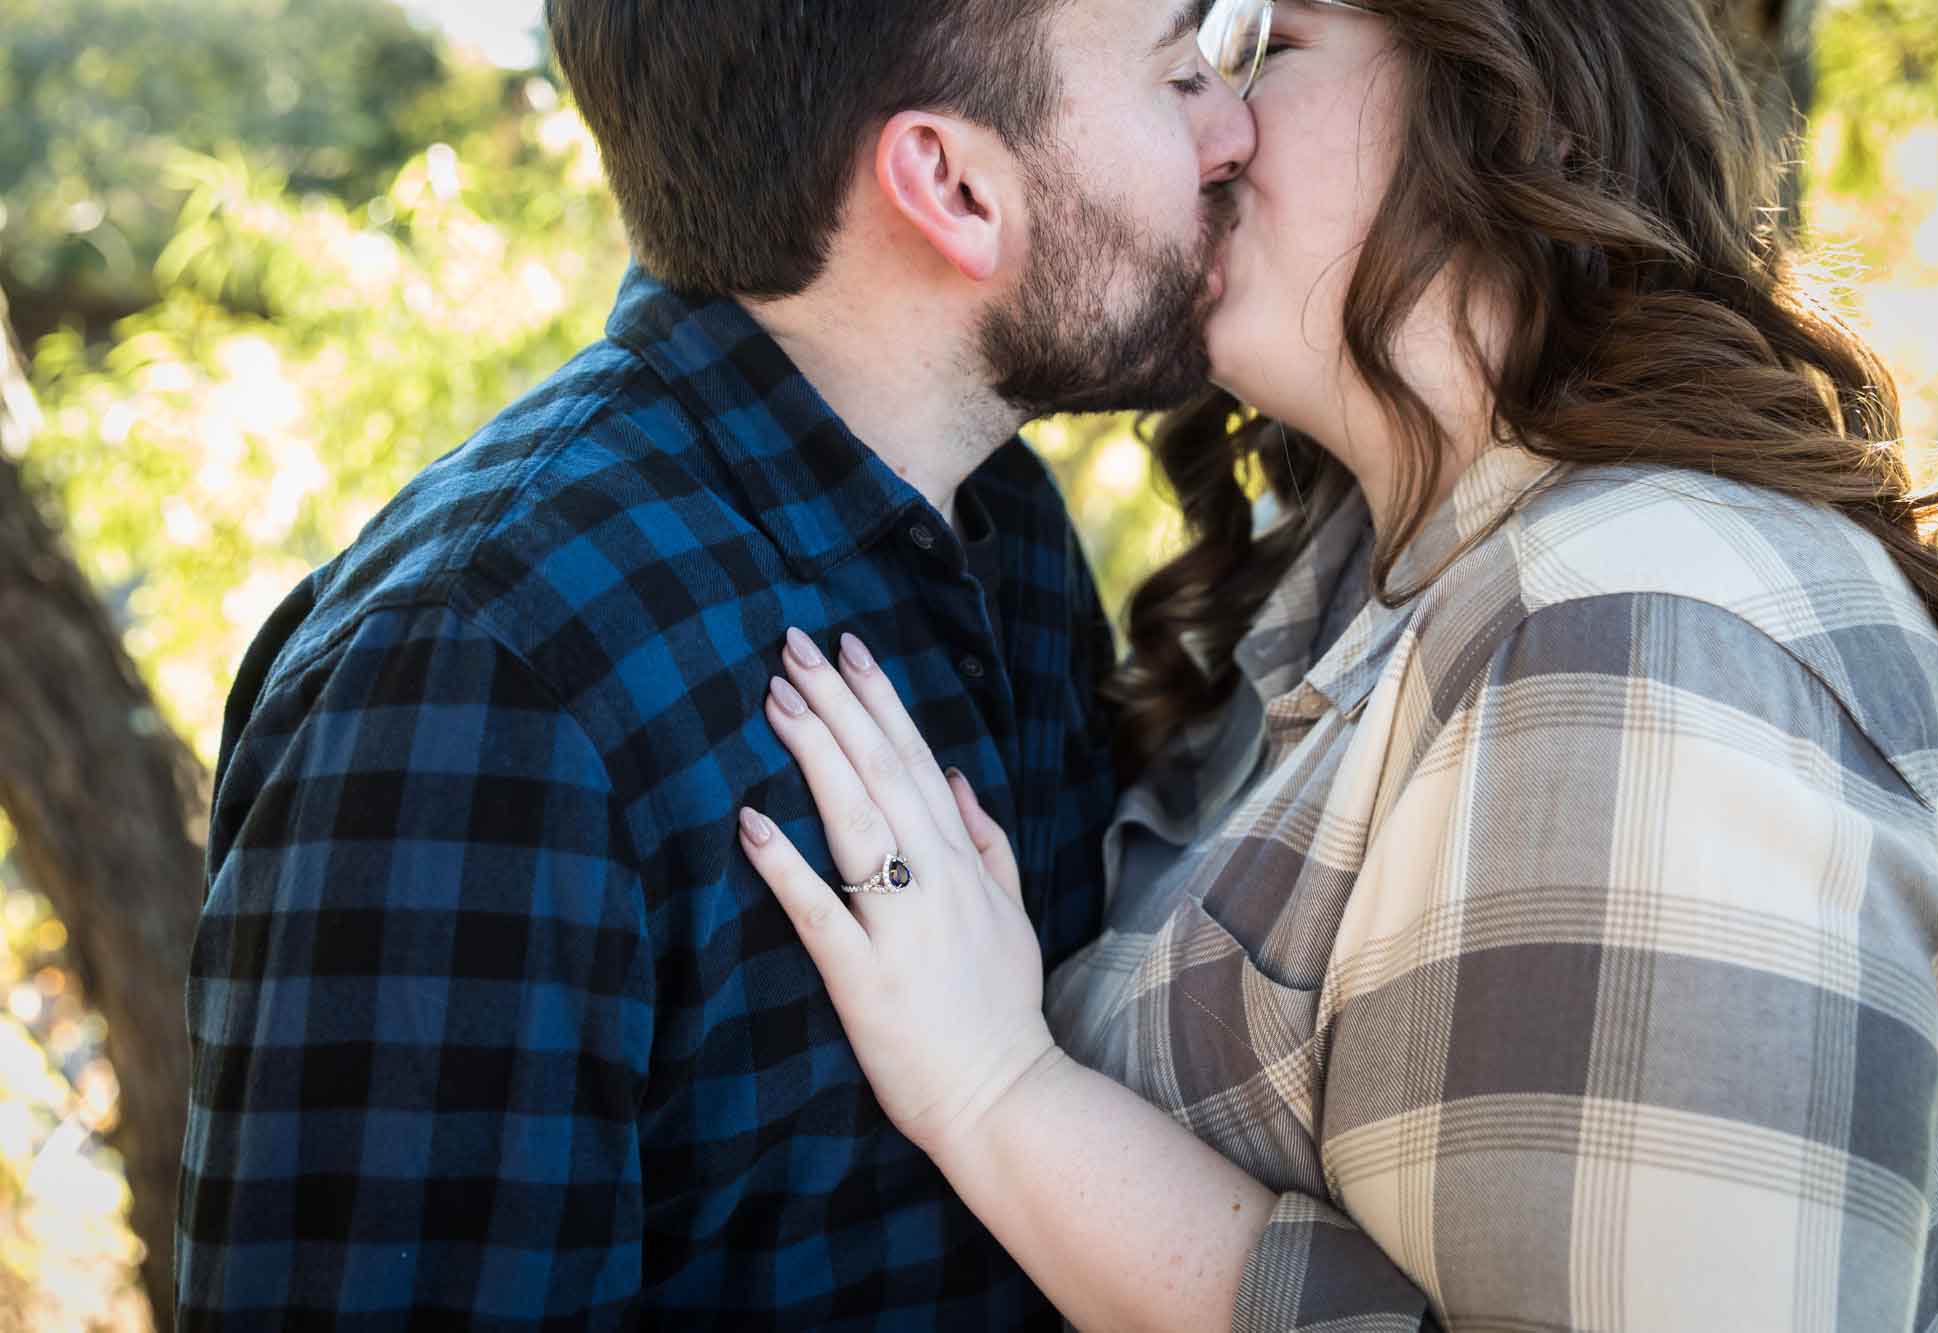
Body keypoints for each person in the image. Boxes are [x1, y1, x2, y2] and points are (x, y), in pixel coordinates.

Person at [736, 0, 1938, 1328]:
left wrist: (994, 1087)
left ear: (1517, 94)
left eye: (1262, 52)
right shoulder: (1360, 583)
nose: (1208, 129)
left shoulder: (1653, 631)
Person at [176, 1, 1254, 1326]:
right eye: (1177, 73)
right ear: (953, 186)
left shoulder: (1004, 534)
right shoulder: (482, 677)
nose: (1233, 129)